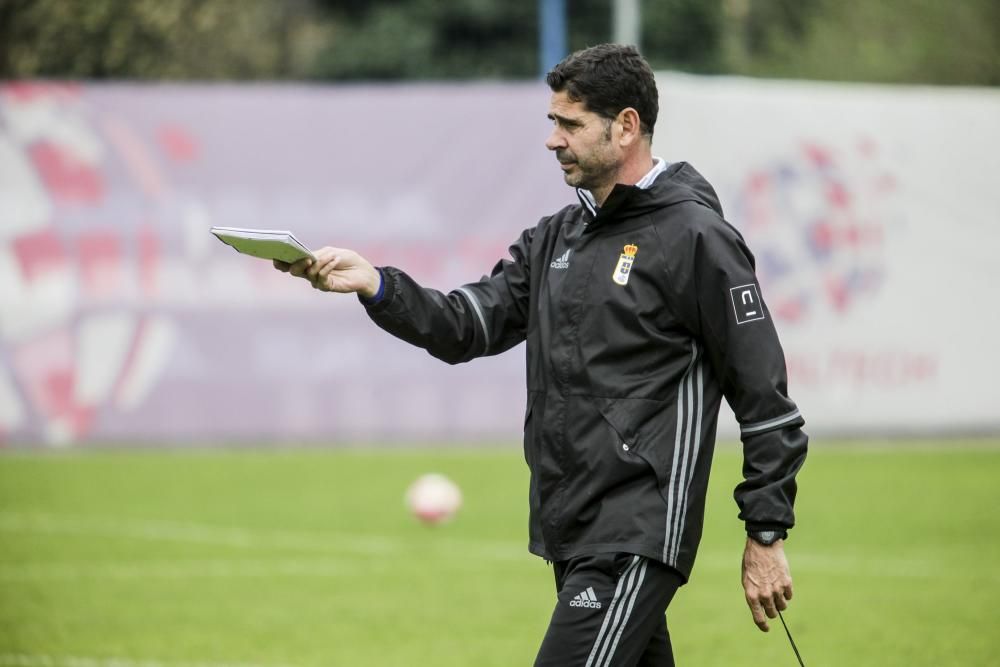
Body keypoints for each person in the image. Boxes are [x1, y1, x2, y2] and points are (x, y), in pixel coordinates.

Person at [275, 43, 807, 666]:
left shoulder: (696, 238)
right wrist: (376, 284)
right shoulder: (556, 236)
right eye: (552, 122)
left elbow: (765, 398)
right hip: (571, 525)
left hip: (636, 531)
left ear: (627, 126)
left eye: (570, 124)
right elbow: (464, 325)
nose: (553, 140)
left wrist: (765, 532)